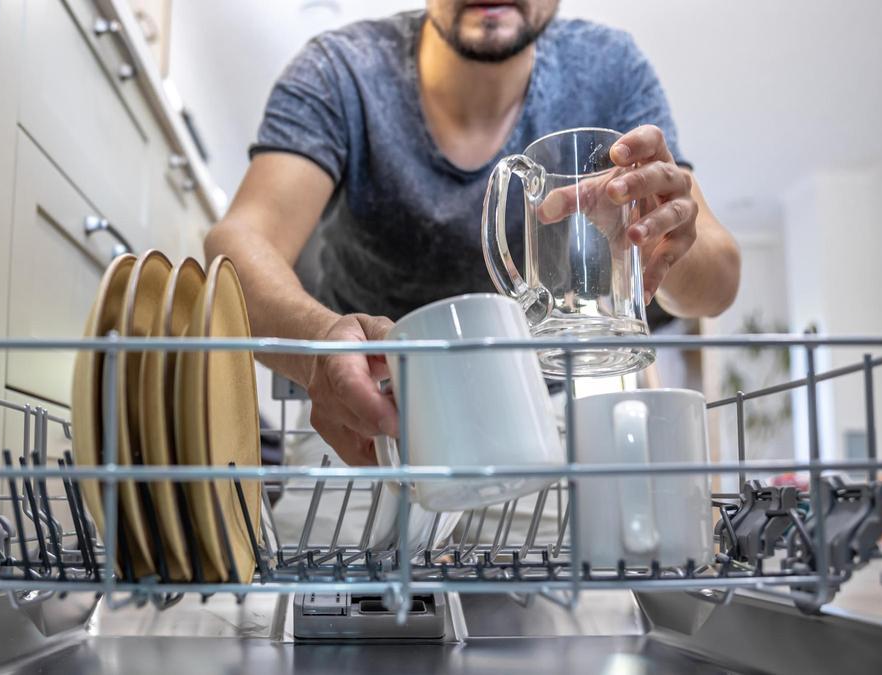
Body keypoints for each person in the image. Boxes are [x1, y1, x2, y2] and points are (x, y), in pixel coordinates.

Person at [205, 0, 741, 466]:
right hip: (363, 425)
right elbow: (239, 243)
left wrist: (666, 238)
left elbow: (718, 281)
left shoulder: (612, 70)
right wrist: (321, 347)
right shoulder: (340, 70)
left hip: (541, 425)